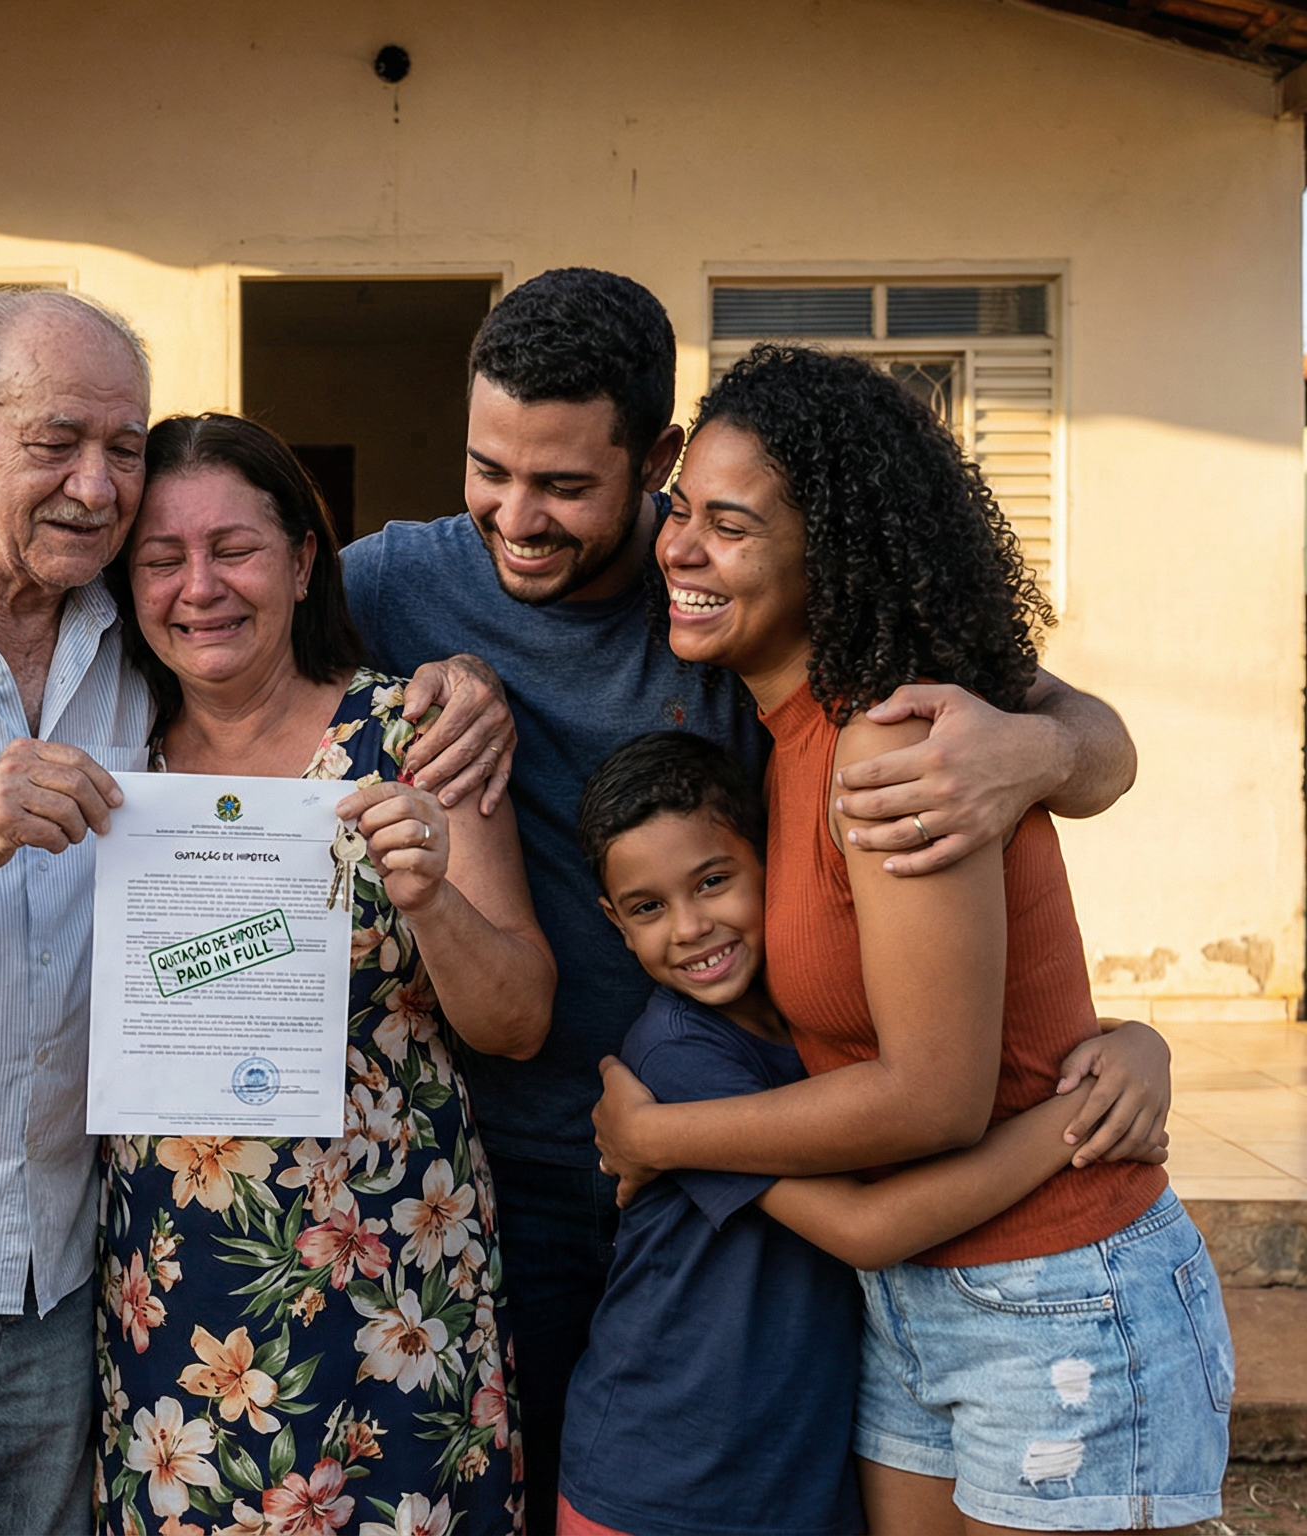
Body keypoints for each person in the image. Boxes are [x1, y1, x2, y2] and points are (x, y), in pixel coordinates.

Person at [0, 292, 515, 1533]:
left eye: (122, 448)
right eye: (56, 440)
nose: (95, 485)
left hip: (68, 1274)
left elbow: (293, 655)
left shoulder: (130, 641)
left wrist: (472, 680)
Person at [336, 268, 1147, 1534]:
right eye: (488, 469)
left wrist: (1039, 754)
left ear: (651, 458)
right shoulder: (397, 587)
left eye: (563, 485)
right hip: (518, 1170)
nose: (515, 516)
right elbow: (208, 625)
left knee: (756, 1493)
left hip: (767, 1156)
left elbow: (1073, 731)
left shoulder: (747, 582)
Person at [591, 346, 1232, 1533]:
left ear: (826, 555)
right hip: (910, 1293)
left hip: (1055, 1291)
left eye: (729, 527)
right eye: (680, 509)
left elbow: (933, 1098)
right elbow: (1085, 739)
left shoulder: (892, 743)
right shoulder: (778, 718)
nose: (678, 547)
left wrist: (663, 1134)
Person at [95, 414, 549, 1536]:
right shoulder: (104, 746)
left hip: (394, 1267)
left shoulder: (416, 731)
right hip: (175, 1276)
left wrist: (431, 896)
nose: (198, 586)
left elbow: (518, 1020)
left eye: (233, 549)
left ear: (303, 561)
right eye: (161, 558)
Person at [559, 732, 1170, 1536]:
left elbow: (962, 1029)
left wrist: (1136, 1043)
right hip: (665, 1472)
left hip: (802, 1464)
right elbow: (865, 1227)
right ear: (614, 919)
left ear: (770, 863)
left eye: (714, 882)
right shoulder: (677, 1056)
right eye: (648, 908)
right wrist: (1077, 1119)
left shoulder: (819, 1003)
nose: (690, 927)